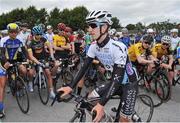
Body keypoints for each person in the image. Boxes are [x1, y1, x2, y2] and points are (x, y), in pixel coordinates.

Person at [58, 10, 138, 122]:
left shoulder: (118, 47)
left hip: (129, 83)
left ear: (104, 27)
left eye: (93, 25)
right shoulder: (93, 46)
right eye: (88, 26)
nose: (89, 30)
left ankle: (131, 117)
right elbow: (84, 68)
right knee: (90, 100)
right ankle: (107, 120)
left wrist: (101, 104)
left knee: (123, 120)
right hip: (114, 81)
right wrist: (70, 86)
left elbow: (117, 79)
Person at [0, 23, 28, 118]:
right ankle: (0, 108)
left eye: (15, 32)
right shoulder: (4, 40)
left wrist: (27, 59)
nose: (13, 34)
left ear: (17, 32)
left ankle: (19, 82)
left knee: (24, 70)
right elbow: (2, 53)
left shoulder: (19, 39)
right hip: (4, 62)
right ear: (8, 32)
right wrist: (6, 62)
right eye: (11, 32)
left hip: (15, 60)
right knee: (2, 85)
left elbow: (24, 50)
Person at [27, 25, 56, 98]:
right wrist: (37, 63)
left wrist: (52, 55)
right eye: (37, 34)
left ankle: (51, 91)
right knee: (31, 72)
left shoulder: (43, 39)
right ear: (34, 34)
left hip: (43, 58)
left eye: (40, 34)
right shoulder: (30, 43)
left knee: (48, 73)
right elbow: (31, 56)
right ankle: (30, 82)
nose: (39, 36)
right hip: (34, 59)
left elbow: (50, 47)